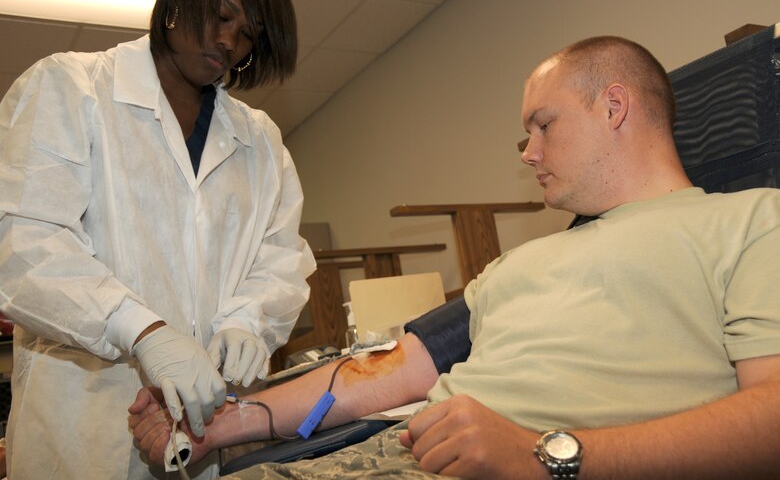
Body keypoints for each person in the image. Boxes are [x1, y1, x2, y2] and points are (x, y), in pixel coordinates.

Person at [130, 36, 780, 479]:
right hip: (399, 455)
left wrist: (549, 455)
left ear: (613, 107)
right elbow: (384, 374)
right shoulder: (520, 265)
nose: (526, 153)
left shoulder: (752, 221)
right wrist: (218, 427)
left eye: (542, 125)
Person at [0, 0, 316, 478]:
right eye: (219, 15)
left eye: (247, 33)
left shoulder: (260, 141)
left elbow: (278, 256)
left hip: (205, 434)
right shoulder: (71, 88)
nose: (229, 42)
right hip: (82, 434)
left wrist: (248, 320)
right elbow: (23, 243)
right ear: (175, 2)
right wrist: (141, 330)